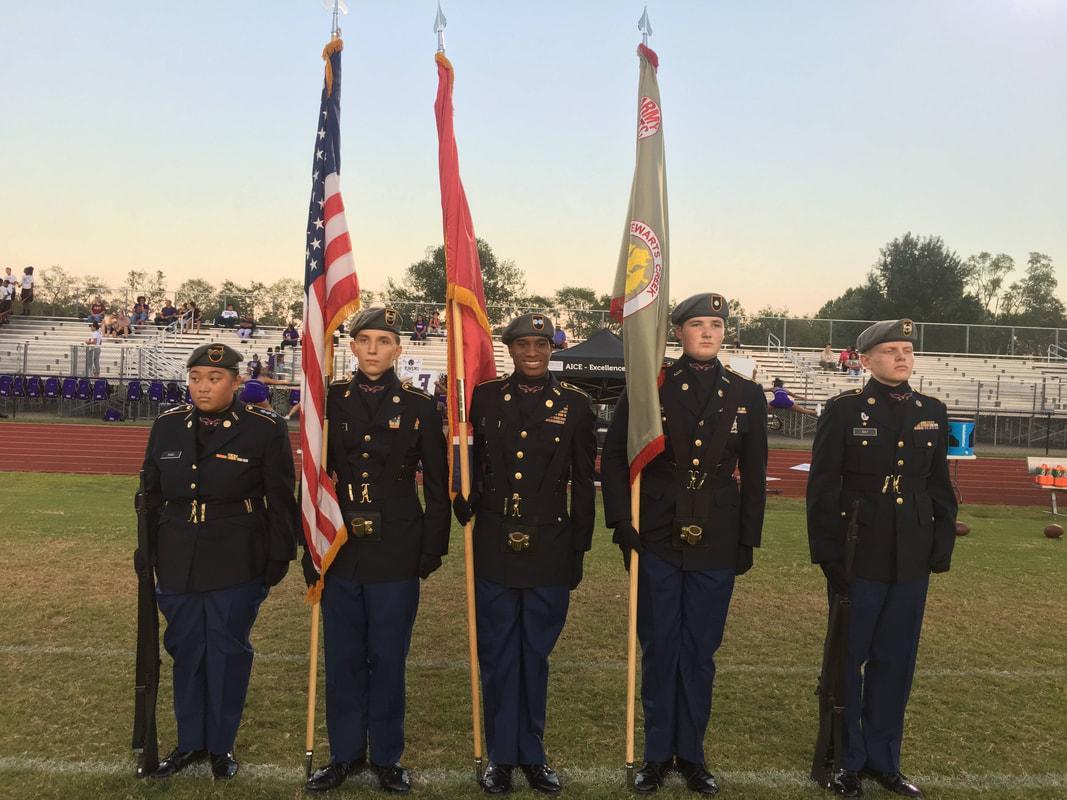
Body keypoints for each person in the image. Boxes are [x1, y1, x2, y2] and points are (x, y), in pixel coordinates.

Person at [601, 292, 768, 795]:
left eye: (716, 325)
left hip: (716, 535)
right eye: (697, 324)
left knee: (699, 650)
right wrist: (618, 521)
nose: (708, 333)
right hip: (655, 531)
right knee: (660, 646)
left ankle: (691, 755)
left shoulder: (746, 394)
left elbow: (755, 475)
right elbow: (613, 458)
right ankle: (655, 755)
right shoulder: (650, 387)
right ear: (678, 332)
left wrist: (748, 541)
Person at [806, 319, 957, 799]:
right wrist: (829, 554)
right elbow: (823, 488)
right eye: (891, 350)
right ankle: (846, 760)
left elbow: (939, 486)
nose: (901, 357)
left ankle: (883, 760)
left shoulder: (932, 410)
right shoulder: (845, 409)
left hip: (910, 553)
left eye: (907, 350)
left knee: (897, 661)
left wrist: (941, 545)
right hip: (858, 550)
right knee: (849, 659)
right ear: (866, 359)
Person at [304, 307, 450, 794]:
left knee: (388, 658)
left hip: (397, 549)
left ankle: (387, 756)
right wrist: (312, 543)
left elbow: (437, 483)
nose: (371, 349)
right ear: (350, 345)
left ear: (398, 349)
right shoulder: (329, 401)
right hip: (341, 546)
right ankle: (344, 753)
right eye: (363, 340)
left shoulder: (420, 407)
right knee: (343, 657)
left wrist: (432, 548)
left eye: (382, 341)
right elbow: (310, 477)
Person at [451, 312, 596, 795]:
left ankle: (531, 754)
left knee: (534, 653)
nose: (532, 352)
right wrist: (460, 489)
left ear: (553, 348)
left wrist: (579, 546)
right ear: (508, 349)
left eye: (540, 344)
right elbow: (470, 455)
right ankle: (500, 756)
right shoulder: (486, 396)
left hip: (550, 544)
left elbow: (583, 483)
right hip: (494, 539)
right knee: (496, 654)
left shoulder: (575, 404)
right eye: (522, 344)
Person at [140, 342, 297, 781]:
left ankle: (221, 746)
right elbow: (151, 494)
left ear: (235, 382)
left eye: (213, 379)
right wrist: (147, 552)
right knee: (186, 649)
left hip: (237, 555)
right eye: (195, 379)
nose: (202, 387)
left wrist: (279, 555)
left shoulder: (263, 429)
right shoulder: (168, 425)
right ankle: (190, 742)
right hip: (178, 556)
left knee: (227, 651)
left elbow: (282, 498)